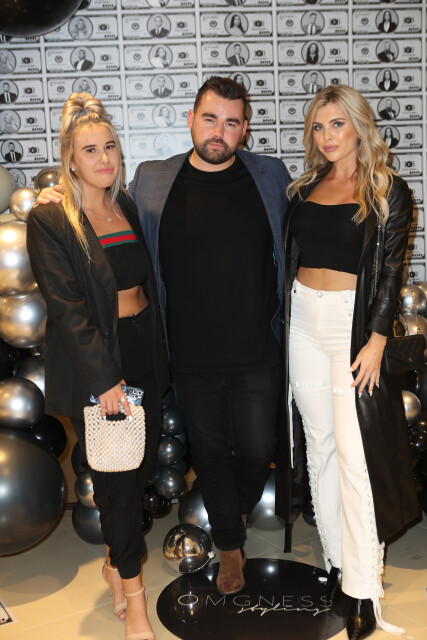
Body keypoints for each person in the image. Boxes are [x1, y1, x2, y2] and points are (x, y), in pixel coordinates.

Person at [38, 76, 290, 598]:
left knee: (256, 450)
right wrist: (58, 194)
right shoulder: (154, 181)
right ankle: (230, 544)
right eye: (210, 118)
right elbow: (94, 220)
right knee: (209, 453)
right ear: (191, 119)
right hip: (188, 355)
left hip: (257, 351)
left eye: (232, 122)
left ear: (245, 129)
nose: (219, 131)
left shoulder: (270, 176)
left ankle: (236, 514)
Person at [276, 84, 419, 640]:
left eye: (337, 124)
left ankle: (364, 587)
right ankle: (338, 563)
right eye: (318, 126)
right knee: (320, 449)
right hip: (302, 321)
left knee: (356, 460)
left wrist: (378, 337)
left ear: (359, 125)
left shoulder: (387, 190)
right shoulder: (306, 187)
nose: (327, 136)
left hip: (351, 327)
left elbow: (392, 270)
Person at [28, 93, 169, 640]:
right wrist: (104, 378)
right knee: (117, 487)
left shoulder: (125, 206)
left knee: (141, 468)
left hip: (143, 349)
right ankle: (134, 598)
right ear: (70, 158)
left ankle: (115, 561)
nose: (104, 157)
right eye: (91, 150)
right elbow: (66, 308)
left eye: (110, 146)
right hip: (101, 362)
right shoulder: (51, 219)